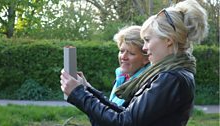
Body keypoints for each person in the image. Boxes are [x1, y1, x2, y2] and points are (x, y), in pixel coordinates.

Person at [60, 0, 208, 125]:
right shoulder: (172, 74)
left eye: (148, 40)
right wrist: (86, 89)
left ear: (168, 39)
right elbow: (127, 114)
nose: (144, 47)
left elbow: (124, 121)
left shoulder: (172, 78)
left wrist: (78, 94)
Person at [109, 26, 150, 106]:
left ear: (146, 58)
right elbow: (109, 108)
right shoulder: (121, 77)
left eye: (131, 53)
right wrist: (87, 88)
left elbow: (117, 116)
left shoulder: (145, 87)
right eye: (121, 51)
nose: (123, 57)